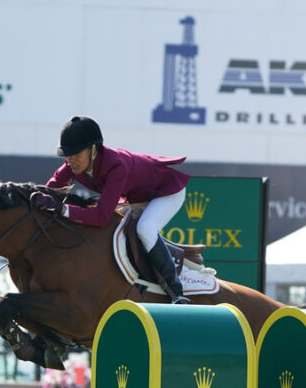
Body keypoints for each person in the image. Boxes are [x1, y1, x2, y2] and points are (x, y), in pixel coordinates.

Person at [33, 115, 191, 305]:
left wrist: (62, 209)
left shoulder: (116, 165)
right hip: (136, 198)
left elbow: (100, 217)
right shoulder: (71, 166)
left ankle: (176, 291)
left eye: (76, 154)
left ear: (93, 149)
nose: (71, 160)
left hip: (166, 192)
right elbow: (47, 191)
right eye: (67, 154)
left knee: (145, 228)